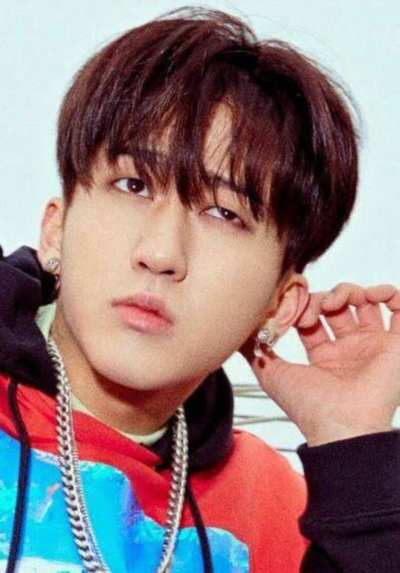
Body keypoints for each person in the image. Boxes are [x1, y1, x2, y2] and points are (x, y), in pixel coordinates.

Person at [1, 6, 400, 572]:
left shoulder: (276, 515)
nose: (162, 253)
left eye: (224, 213)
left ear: (279, 304)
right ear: (56, 229)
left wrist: (352, 441)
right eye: (133, 184)